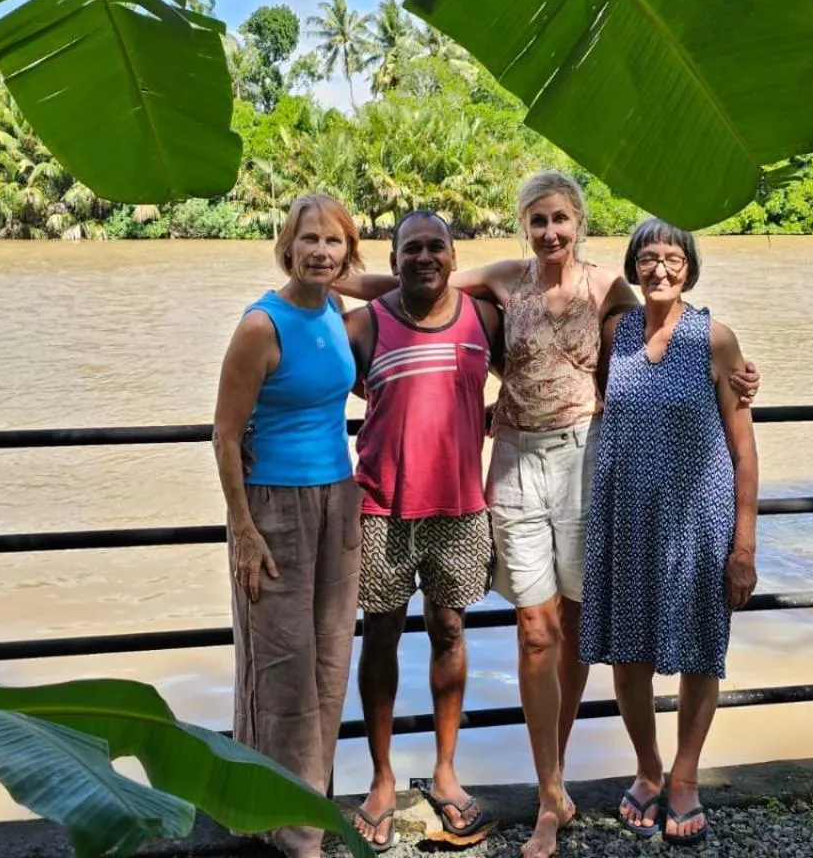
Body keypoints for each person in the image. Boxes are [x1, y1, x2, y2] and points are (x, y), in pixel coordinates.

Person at [341, 171, 757, 858]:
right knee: (535, 630)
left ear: (580, 222)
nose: (550, 232)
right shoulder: (505, 279)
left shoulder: (610, 289)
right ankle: (550, 790)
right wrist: (334, 279)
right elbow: (420, 279)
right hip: (513, 458)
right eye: (538, 220)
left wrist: (736, 373)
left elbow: (667, 326)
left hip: (585, 458)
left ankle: (571, 778)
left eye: (561, 219)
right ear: (524, 226)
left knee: (578, 623)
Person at [580, 219, 760, 848]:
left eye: (673, 259)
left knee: (700, 651)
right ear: (633, 265)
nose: (660, 269)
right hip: (626, 518)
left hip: (698, 522)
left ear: (690, 268)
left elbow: (744, 450)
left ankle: (685, 777)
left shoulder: (715, 339)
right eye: (649, 257)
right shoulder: (617, 333)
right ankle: (648, 769)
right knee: (627, 652)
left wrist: (744, 546)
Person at [343, 210, 503, 850]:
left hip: (460, 505)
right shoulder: (363, 325)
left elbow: (544, 371)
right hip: (381, 505)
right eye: (412, 248)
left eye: (437, 246)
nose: (425, 257)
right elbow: (310, 387)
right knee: (380, 633)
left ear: (453, 256)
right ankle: (381, 778)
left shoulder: (484, 318)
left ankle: (444, 770)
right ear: (394, 260)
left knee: (450, 629)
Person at [212, 193, 364, 858]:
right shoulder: (261, 325)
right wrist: (243, 531)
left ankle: (305, 808)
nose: (321, 252)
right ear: (287, 246)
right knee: (282, 667)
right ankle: (291, 831)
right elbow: (224, 435)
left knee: (330, 663)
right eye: (310, 240)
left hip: (339, 498)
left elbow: (399, 287)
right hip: (274, 504)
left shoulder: (334, 309)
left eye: (334, 241)